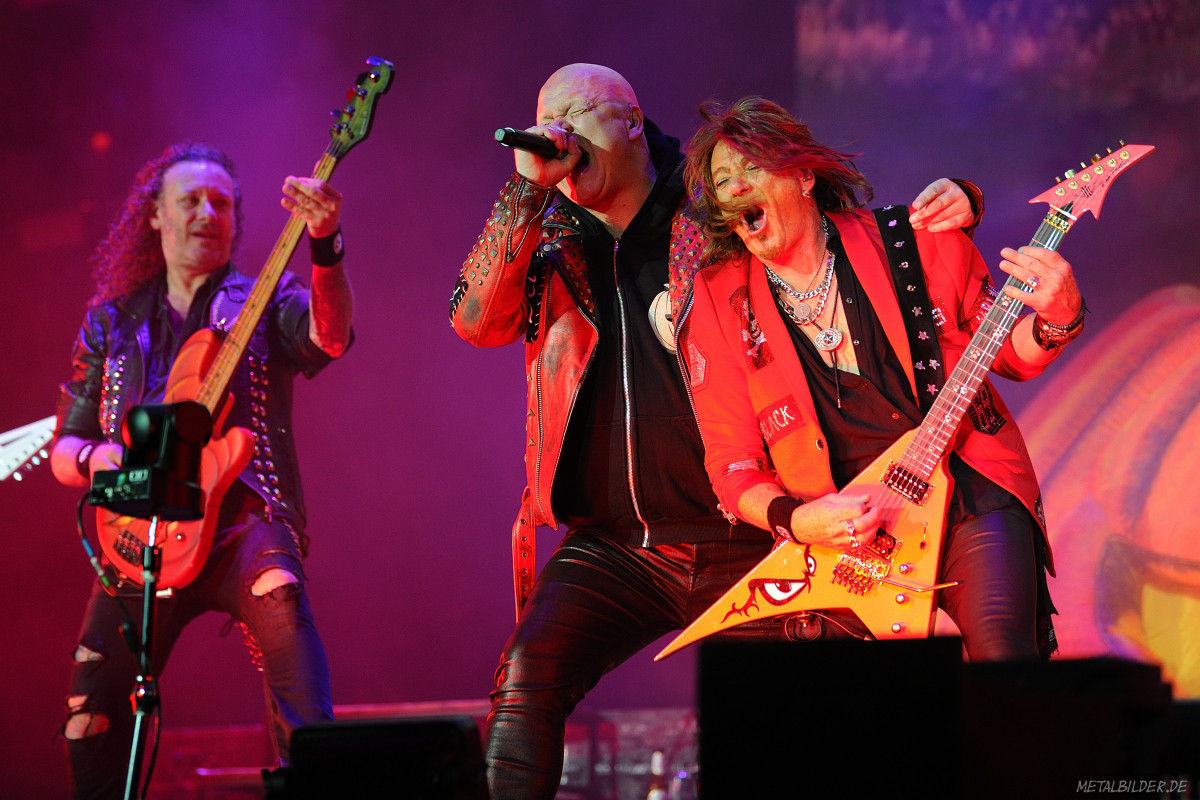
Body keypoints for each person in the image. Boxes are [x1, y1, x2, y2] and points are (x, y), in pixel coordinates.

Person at [449, 64, 985, 798]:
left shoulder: (709, 208)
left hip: (749, 530)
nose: (558, 133)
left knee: (799, 718)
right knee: (525, 678)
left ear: (630, 122)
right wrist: (525, 191)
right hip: (615, 545)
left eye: (576, 113)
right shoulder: (547, 238)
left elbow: (822, 224)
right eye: (548, 118)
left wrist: (962, 196)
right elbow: (475, 322)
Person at [678, 97, 1076, 664]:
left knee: (1002, 653)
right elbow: (731, 461)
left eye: (752, 167)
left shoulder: (908, 239)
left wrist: (1059, 317)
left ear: (804, 176)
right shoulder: (718, 300)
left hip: (967, 489)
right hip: (850, 537)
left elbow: (1007, 354)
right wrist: (798, 519)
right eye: (722, 180)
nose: (736, 186)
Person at [50, 142, 353, 798]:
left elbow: (329, 338)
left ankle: (314, 783)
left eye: (221, 202)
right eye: (189, 200)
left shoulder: (264, 297)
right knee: (86, 717)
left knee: (284, 611)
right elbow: (65, 449)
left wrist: (325, 244)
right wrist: (99, 458)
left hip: (242, 522)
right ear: (155, 215)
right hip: (140, 538)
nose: (207, 213)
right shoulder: (110, 323)